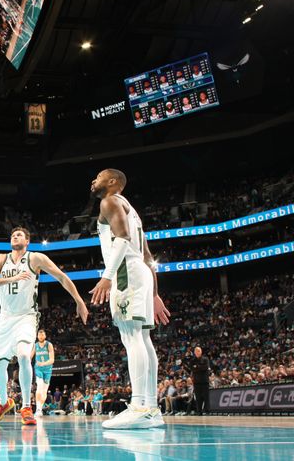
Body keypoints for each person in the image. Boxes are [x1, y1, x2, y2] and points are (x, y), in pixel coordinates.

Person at [0, 227, 88, 426]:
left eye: (19, 235)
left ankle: (26, 407)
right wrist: (10, 279)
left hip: (26, 316)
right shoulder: (1, 259)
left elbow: (61, 276)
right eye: (13, 235)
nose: (15, 237)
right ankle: (4, 403)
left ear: (27, 241)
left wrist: (79, 301)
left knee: (23, 355)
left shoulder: (35, 258)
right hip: (5, 318)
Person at [90, 168, 171, 429]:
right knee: (143, 338)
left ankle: (139, 406)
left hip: (126, 272)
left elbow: (122, 239)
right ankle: (151, 408)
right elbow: (148, 257)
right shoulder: (132, 210)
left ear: (112, 182)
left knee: (132, 337)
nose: (94, 181)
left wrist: (107, 276)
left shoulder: (109, 201)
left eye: (99, 176)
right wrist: (156, 293)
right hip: (141, 273)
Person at [31, 329, 54, 416]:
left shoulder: (49, 345)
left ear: (45, 336)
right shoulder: (35, 345)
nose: (41, 336)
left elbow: (52, 360)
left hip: (48, 369)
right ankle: (38, 409)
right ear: (37, 336)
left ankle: (40, 408)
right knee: (39, 386)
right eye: (39, 335)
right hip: (38, 369)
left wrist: (43, 363)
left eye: (42, 335)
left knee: (44, 391)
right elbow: (30, 356)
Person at [190, 346, 210, 414]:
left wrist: (196, 367)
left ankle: (207, 411)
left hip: (205, 381)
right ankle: (199, 411)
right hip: (196, 382)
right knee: (198, 398)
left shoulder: (205, 359)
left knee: (206, 397)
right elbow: (192, 369)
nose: (197, 352)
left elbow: (205, 367)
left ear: (201, 352)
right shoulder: (192, 360)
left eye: (198, 351)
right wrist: (199, 367)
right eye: (196, 351)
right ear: (194, 352)